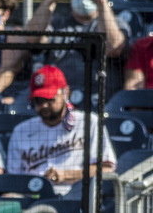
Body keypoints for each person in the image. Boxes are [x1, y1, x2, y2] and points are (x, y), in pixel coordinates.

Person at [23, 0, 130, 102]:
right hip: (58, 104)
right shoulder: (58, 23)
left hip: (99, 104)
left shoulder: (116, 23)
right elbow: (32, 38)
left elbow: (113, 48)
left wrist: (102, 3)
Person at [7, 65, 116, 195]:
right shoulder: (21, 130)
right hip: (32, 198)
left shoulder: (89, 122)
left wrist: (66, 175)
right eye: (38, 100)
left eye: (49, 98)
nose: (44, 105)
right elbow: (13, 179)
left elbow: (107, 169)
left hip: (78, 196)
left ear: (66, 92)